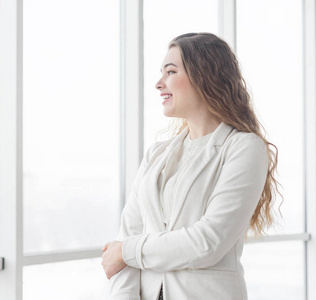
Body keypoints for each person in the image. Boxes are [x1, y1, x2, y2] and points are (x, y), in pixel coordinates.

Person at [101, 32, 282, 300]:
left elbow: (208, 241)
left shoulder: (244, 148)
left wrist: (127, 250)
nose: (159, 83)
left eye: (170, 72)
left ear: (203, 76)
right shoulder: (156, 155)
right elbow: (126, 239)